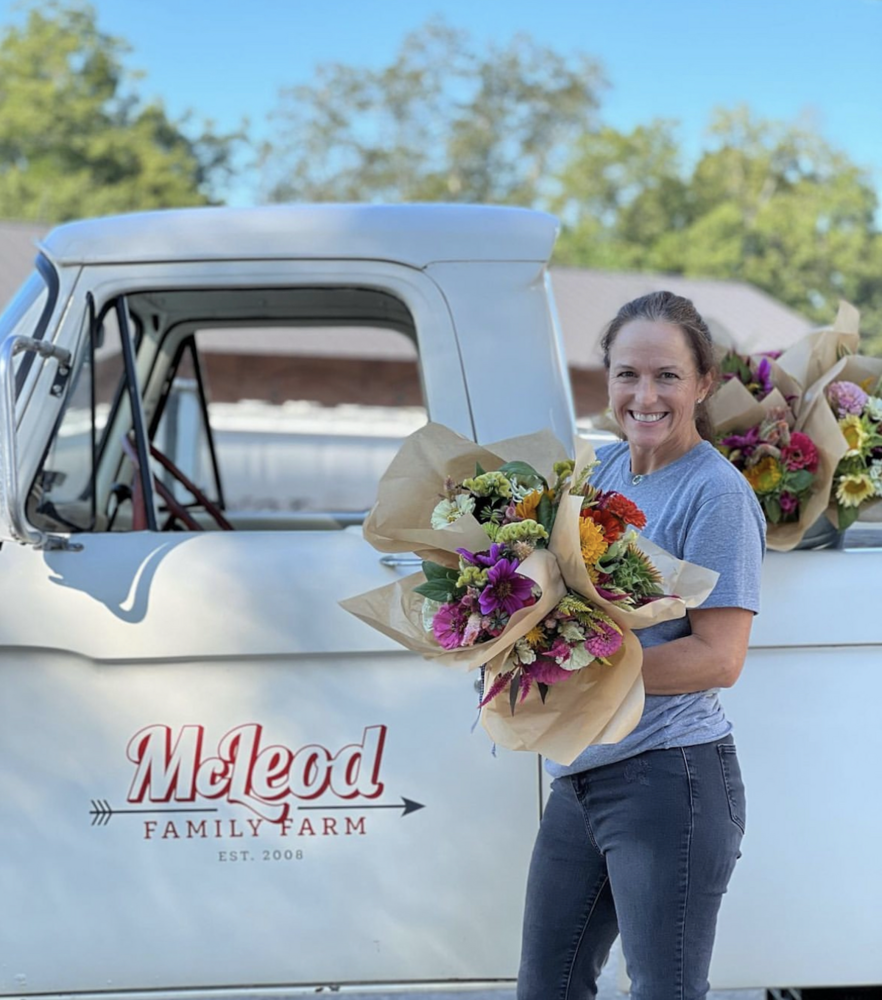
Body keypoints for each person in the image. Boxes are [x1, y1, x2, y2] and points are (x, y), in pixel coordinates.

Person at [516, 290, 766, 1000]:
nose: (645, 394)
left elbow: (719, 657)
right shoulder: (597, 474)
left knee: (663, 990)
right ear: (607, 380)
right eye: (628, 374)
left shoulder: (715, 494)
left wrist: (580, 676)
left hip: (670, 780)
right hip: (585, 776)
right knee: (547, 988)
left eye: (666, 376)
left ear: (704, 384)